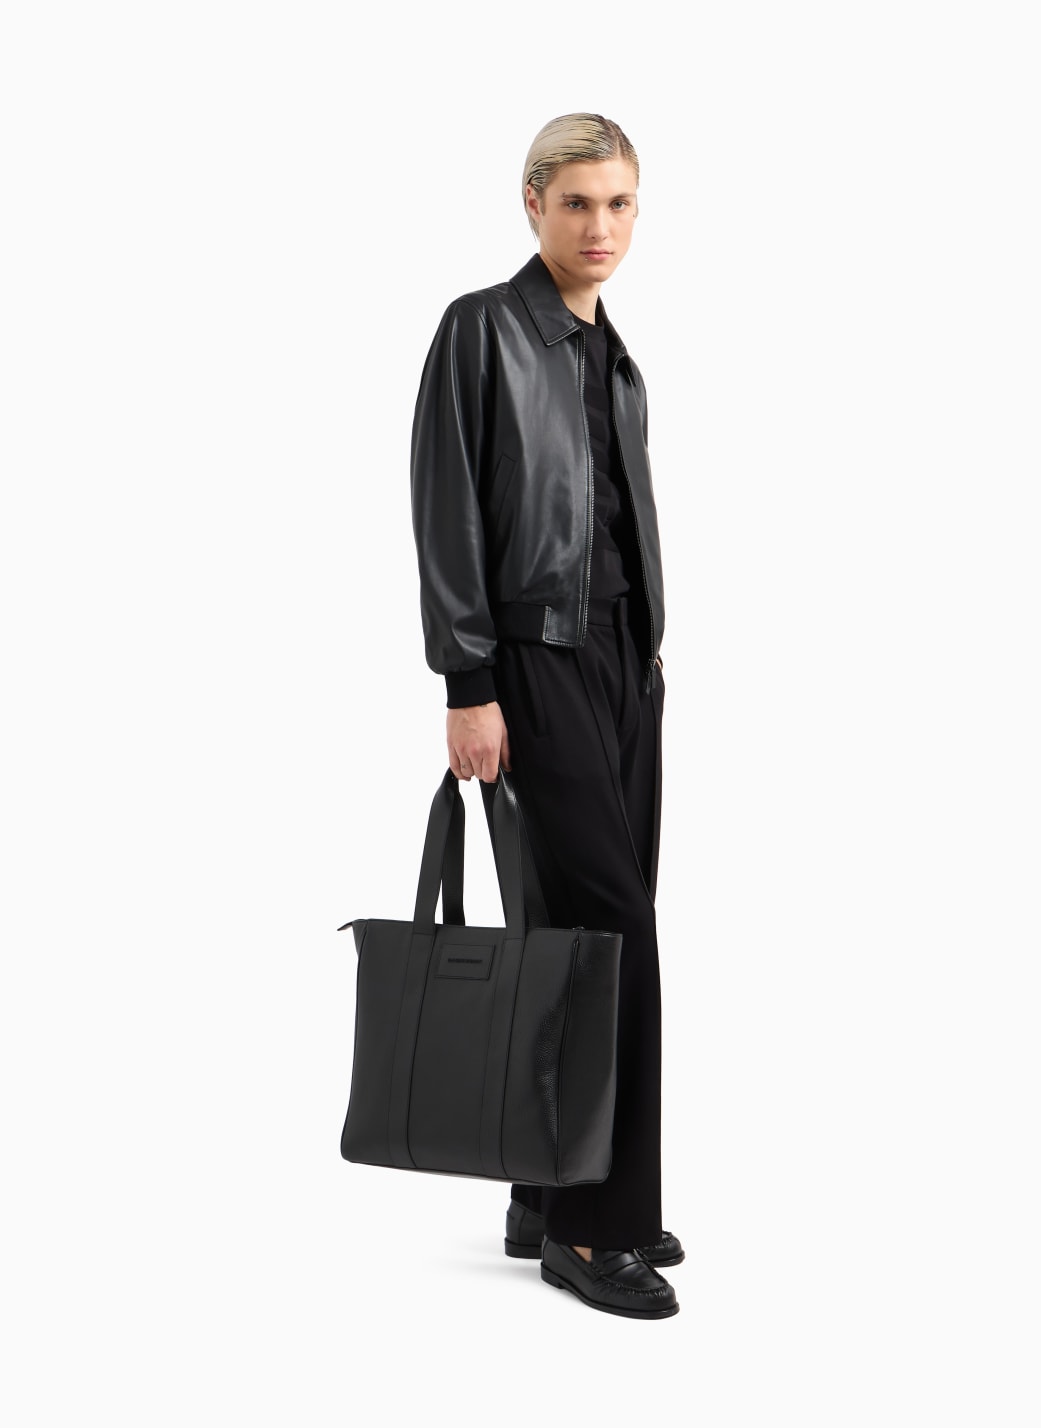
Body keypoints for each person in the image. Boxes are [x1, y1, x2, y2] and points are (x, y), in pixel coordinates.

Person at [409, 113, 682, 1320]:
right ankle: (594, 1228)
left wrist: (645, 667)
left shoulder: (613, 355)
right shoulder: (483, 329)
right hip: (534, 659)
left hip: (626, 664)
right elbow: (448, 509)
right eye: (577, 202)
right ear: (532, 205)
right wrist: (468, 682)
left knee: (582, 930)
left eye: (618, 203)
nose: (600, 226)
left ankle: (547, 1189)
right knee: (612, 931)